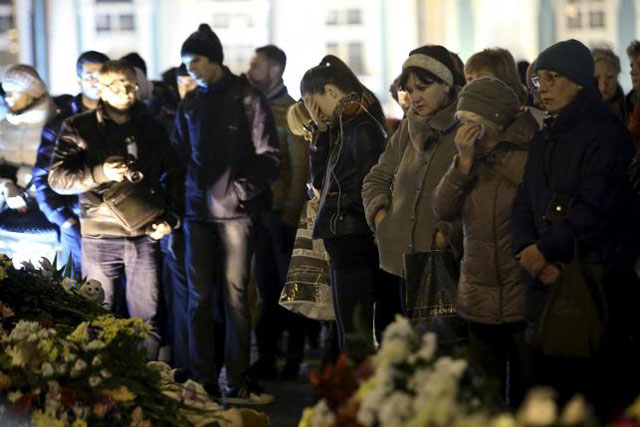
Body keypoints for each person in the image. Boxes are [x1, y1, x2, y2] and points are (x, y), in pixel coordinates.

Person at [511, 39, 640, 415]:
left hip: (591, 282)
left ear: (579, 82)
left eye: (553, 78)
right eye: (538, 80)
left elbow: (595, 207)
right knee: (547, 394)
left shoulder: (605, 133)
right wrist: (526, 249)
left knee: (586, 399)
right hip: (544, 281)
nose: (543, 87)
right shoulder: (545, 133)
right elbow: (523, 200)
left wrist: (545, 251)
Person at [174, 23, 280, 404]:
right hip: (196, 213)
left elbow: (270, 156)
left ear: (214, 58)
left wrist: (240, 191)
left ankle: (236, 379)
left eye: (196, 61)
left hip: (235, 215)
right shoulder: (190, 103)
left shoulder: (248, 98)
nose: (190, 69)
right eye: (186, 64)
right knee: (198, 299)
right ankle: (202, 379)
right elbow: (180, 154)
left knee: (236, 300)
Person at [48, 59, 182, 360]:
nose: (125, 91)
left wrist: (171, 217)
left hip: (144, 232)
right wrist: (101, 172)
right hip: (99, 234)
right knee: (96, 314)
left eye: (130, 83)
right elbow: (57, 179)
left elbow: (174, 172)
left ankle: (145, 385)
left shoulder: (151, 125)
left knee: (145, 320)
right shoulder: (79, 125)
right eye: (117, 85)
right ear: (100, 88)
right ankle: (101, 385)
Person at [432, 77, 538, 406]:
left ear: (491, 122)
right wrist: (462, 165)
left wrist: (494, 157)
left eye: (469, 122)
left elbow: (537, 196)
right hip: (478, 291)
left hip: (520, 288)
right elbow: (442, 207)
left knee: (528, 390)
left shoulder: (529, 151)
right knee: (484, 394)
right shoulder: (467, 159)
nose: (462, 129)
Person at [301, 55, 395, 359]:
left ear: (330, 91)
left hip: (354, 240)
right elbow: (318, 179)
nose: (312, 111)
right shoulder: (342, 125)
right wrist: (321, 134)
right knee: (347, 331)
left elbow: (365, 187)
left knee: (355, 334)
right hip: (344, 239)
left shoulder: (362, 127)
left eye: (312, 102)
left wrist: (338, 209)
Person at [362, 45, 465, 321]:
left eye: (423, 87)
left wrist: (446, 235)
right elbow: (377, 177)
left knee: (436, 348)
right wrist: (382, 216)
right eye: (410, 89)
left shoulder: (464, 128)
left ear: (446, 84)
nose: (415, 97)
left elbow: (473, 190)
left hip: (436, 257)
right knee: (397, 348)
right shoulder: (410, 126)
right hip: (394, 258)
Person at [246, 44, 310, 380]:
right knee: (267, 289)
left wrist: (289, 214)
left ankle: (292, 356)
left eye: (255, 64)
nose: (249, 69)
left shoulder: (287, 111)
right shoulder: (252, 106)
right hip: (260, 212)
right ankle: (268, 355)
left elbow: (300, 167)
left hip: (282, 215)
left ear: (274, 70)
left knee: (290, 289)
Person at [32, 50, 109, 277]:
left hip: (114, 221)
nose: (95, 82)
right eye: (89, 76)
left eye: (101, 75)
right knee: (79, 292)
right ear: (79, 80)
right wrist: (64, 220)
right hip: (76, 220)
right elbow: (42, 176)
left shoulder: (121, 119)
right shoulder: (61, 124)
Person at [0, 65, 56, 214]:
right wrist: (5, 185)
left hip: (49, 208)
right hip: (5, 210)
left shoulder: (57, 125)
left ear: (32, 92)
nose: (7, 97)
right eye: (6, 92)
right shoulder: (2, 126)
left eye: (13, 91)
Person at [464, 48, 529, 105]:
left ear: (504, 80)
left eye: (483, 78)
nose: (473, 85)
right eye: (470, 79)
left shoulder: (525, 115)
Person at [592, 47, 627, 119]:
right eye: (597, 78)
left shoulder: (631, 112)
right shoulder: (578, 113)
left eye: (609, 77)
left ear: (617, 77)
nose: (603, 84)